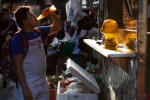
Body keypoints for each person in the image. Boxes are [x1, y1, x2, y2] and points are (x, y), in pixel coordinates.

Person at [10, 6, 62, 100]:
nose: (35, 16)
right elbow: (17, 66)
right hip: (28, 86)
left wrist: (52, 14)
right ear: (25, 21)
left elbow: (58, 27)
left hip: (42, 84)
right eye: (31, 15)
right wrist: (25, 89)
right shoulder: (18, 39)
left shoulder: (38, 32)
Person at [0, 12, 18, 88]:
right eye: (4, 17)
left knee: (13, 62)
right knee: (3, 64)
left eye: (6, 16)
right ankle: (5, 80)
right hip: (2, 47)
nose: (6, 18)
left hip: (11, 45)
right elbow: (2, 34)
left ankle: (14, 76)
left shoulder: (12, 22)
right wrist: (8, 27)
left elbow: (17, 32)